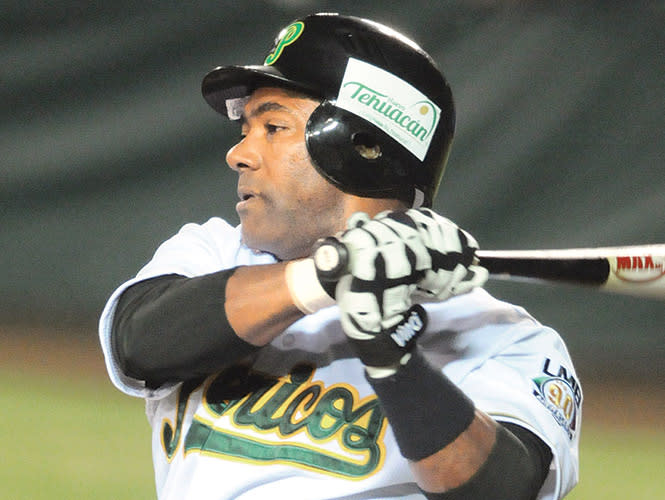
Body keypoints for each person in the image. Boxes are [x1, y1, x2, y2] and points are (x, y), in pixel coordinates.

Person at [99, 12, 580, 500]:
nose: (238, 154)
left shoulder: (504, 339)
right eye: (245, 128)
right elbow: (139, 341)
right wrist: (326, 277)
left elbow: (504, 489)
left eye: (273, 126)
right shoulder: (213, 253)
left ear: (361, 146)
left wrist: (392, 354)